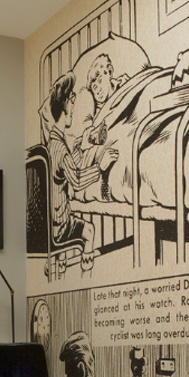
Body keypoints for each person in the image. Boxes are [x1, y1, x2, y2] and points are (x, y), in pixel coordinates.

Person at [48, 71, 118, 275]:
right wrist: (100, 167)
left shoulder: (50, 146)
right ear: (66, 103)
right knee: (89, 231)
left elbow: (67, 168)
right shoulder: (60, 148)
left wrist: (82, 147)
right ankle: (87, 275)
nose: (74, 107)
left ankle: (58, 263)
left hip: (46, 228)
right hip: (59, 228)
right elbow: (77, 180)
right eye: (72, 101)